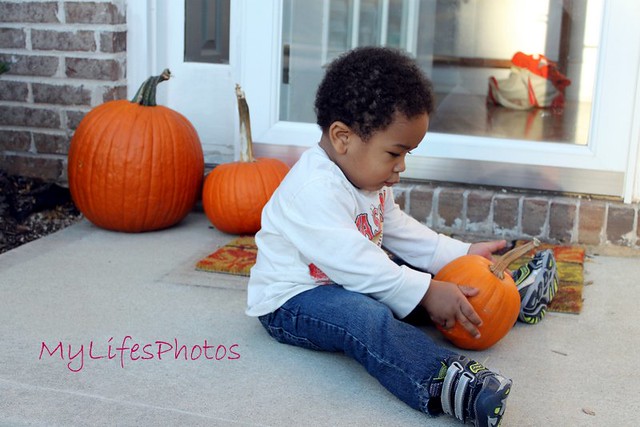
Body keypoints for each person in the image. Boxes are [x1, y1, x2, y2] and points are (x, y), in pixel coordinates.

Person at [246, 46, 558, 426]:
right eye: (395, 153)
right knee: (366, 314)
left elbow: (401, 232)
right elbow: (359, 266)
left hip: (351, 277)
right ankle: (439, 379)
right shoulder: (312, 189)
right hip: (293, 301)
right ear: (342, 137)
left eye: (407, 153)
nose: (402, 166)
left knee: (405, 272)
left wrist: (463, 255)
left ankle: (504, 298)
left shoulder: (367, 178)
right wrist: (425, 290)